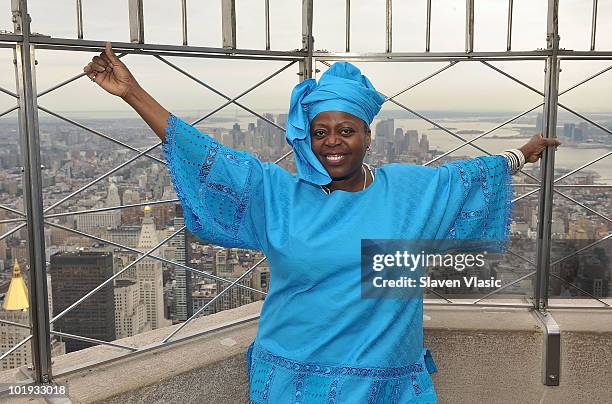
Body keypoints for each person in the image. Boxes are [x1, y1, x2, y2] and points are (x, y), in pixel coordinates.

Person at [84, 42, 560, 403]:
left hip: (386, 380)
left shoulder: (411, 189)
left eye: (346, 130)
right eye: (320, 132)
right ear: (307, 138)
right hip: (297, 377)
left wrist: (522, 154)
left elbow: (471, 176)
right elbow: (206, 156)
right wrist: (133, 93)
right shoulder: (276, 193)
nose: (333, 143)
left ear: (368, 135)